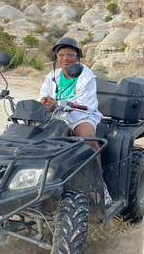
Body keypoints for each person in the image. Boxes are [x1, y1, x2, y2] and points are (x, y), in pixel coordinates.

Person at [39, 37, 111, 206]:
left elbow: (86, 105)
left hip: (80, 116)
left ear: (78, 56)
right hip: (56, 116)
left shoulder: (87, 77)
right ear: (56, 58)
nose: (65, 58)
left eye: (70, 54)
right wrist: (44, 103)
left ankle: (100, 184)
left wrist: (58, 105)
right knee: (33, 135)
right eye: (61, 54)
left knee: (87, 136)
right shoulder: (52, 76)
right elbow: (43, 95)